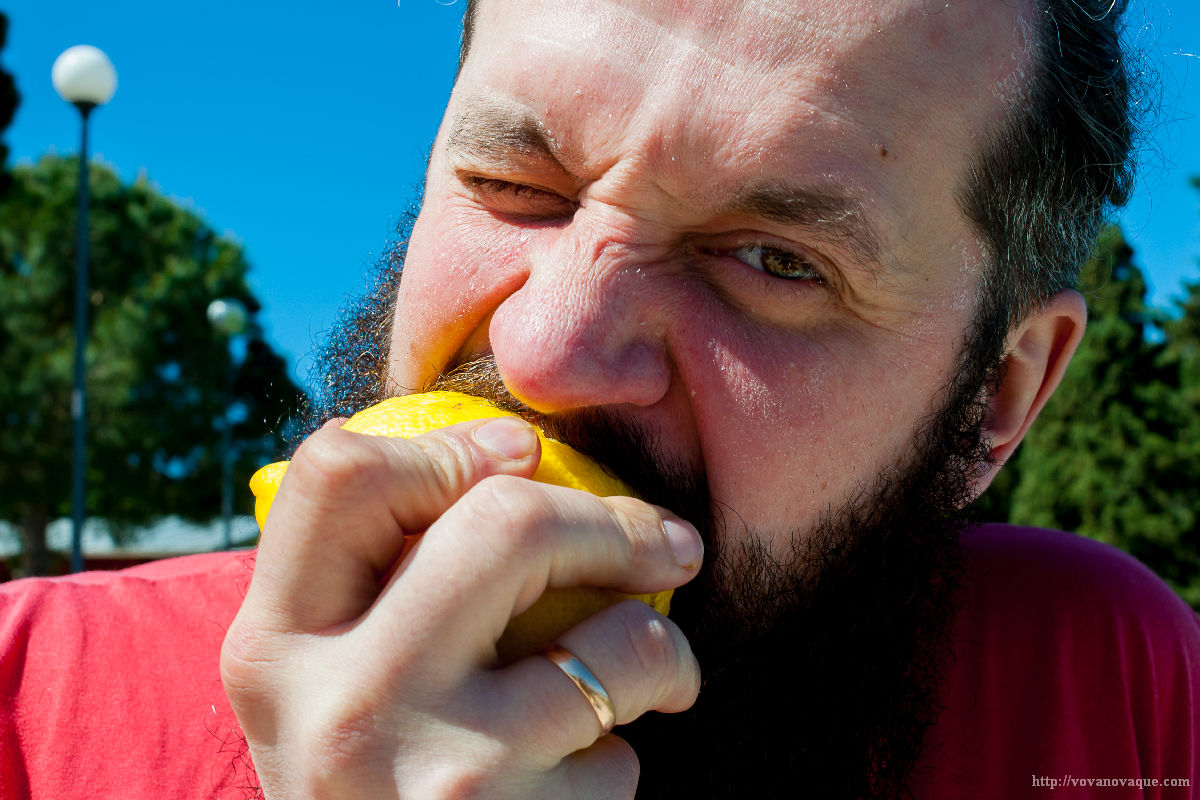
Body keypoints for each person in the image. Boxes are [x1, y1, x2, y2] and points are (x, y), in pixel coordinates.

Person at [3, 0, 1198, 798]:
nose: (547, 351)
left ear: (997, 395)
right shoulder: (27, 702)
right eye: (510, 181)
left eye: (778, 260)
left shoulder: (1104, 683)